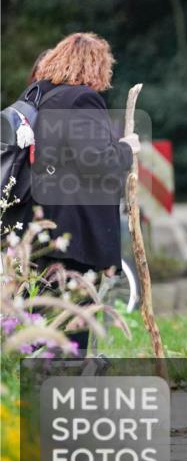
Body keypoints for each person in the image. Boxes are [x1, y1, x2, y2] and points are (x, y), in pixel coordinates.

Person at [29, 33, 141, 351]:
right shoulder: (82, 99)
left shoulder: (43, 96)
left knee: (49, 317)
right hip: (75, 230)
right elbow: (95, 160)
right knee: (73, 323)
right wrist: (126, 149)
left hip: (45, 223)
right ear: (95, 65)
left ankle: (42, 390)